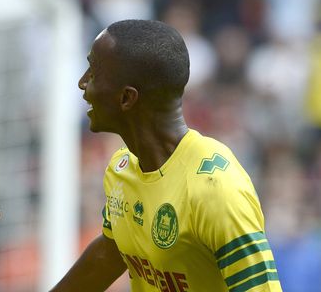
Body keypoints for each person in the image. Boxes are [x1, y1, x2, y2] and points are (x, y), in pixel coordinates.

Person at [51, 20, 282, 291]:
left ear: (127, 98)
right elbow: (110, 254)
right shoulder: (121, 168)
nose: (82, 83)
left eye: (94, 71)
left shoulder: (215, 188)